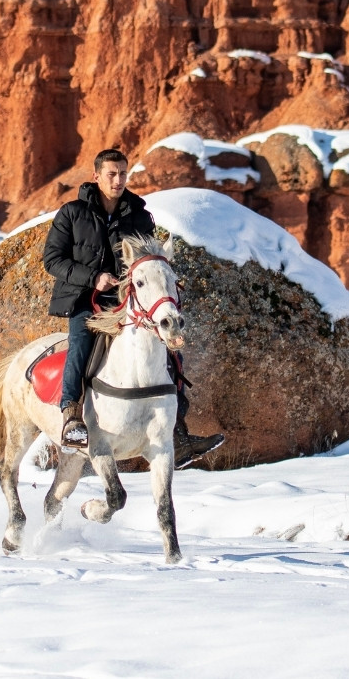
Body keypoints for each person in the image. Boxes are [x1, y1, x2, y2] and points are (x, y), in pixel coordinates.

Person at [41, 148, 225, 467]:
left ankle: (177, 435)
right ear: (96, 176)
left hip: (130, 301)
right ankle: (71, 418)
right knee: (80, 346)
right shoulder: (71, 213)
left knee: (170, 352)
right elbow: (53, 260)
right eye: (111, 174)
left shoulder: (138, 214)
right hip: (86, 299)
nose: (118, 180)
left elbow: (148, 257)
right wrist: (93, 277)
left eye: (123, 173)